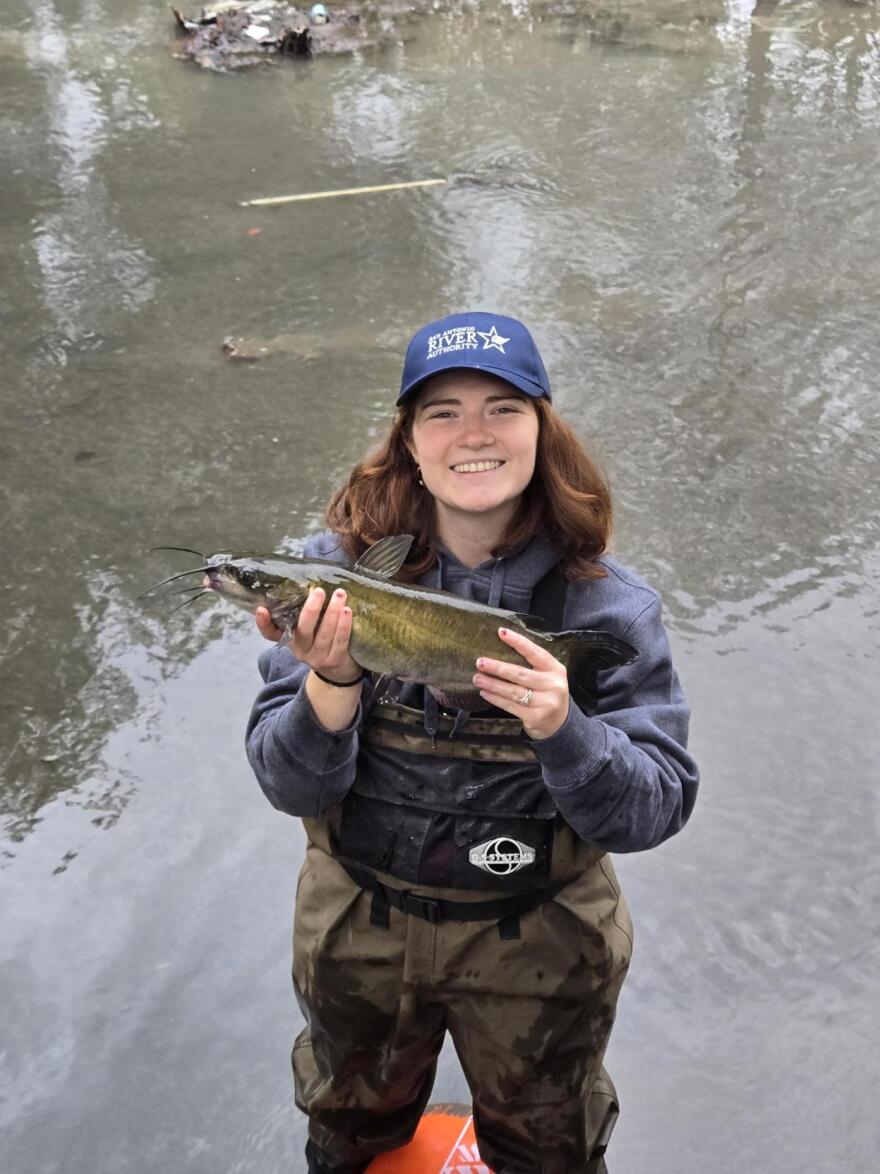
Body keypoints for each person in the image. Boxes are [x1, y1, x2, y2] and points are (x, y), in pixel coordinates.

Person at [245, 311, 699, 1174]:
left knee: (548, 1152)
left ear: (542, 428)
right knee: (346, 1137)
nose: (474, 434)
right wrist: (332, 686)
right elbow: (289, 785)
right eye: (442, 411)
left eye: (503, 408)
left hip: (545, 943)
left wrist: (564, 729)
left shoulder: (608, 607)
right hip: (358, 928)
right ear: (409, 441)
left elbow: (657, 808)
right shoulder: (332, 574)